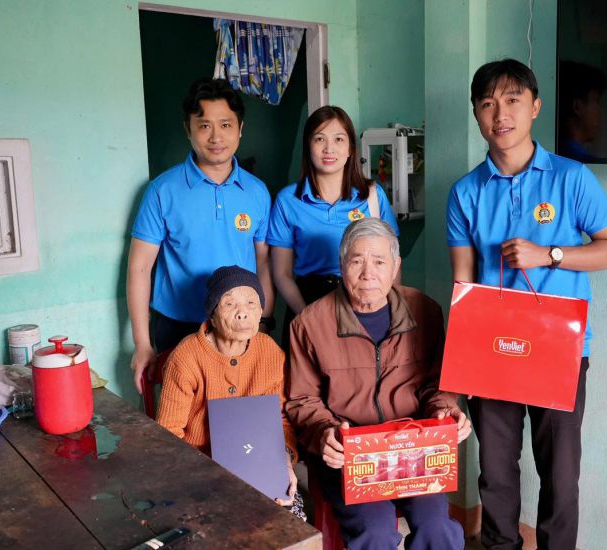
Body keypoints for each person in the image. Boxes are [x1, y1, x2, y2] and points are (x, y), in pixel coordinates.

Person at [446, 59, 607, 549]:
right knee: (496, 477)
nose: (499, 113)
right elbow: (463, 287)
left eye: (511, 101)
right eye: (487, 104)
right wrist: (458, 379)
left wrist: (550, 253)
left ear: (534, 107)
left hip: (560, 349)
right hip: (492, 350)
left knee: (561, 477)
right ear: (477, 114)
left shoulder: (572, 178)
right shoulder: (465, 193)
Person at [286, 217, 472, 550]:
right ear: (342, 266)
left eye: (380, 261)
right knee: (375, 530)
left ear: (396, 266)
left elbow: (436, 384)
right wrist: (325, 433)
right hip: (350, 456)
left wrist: (446, 413)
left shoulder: (425, 311)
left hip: (412, 450)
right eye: (356, 261)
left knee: (437, 528)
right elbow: (302, 400)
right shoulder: (309, 324)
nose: (368, 272)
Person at [128, 78, 274, 393]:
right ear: (188, 128)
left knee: (240, 425)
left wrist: (261, 324)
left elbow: (263, 263)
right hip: (178, 327)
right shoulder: (162, 191)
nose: (216, 136)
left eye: (225, 124)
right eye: (204, 125)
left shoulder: (257, 192)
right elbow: (139, 268)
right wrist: (142, 343)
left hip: (240, 325)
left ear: (240, 128)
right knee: (179, 425)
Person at [156, 265, 304, 520]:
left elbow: (281, 420)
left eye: (251, 303)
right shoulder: (186, 357)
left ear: (261, 312)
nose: (242, 313)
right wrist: (206, 476)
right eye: (229, 304)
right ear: (212, 316)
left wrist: (284, 462)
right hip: (201, 471)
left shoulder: (270, 352)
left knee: (289, 522)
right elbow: (168, 435)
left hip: (260, 465)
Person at [266, 106, 399, 344]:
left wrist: (387, 309)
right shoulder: (288, 200)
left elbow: (391, 262)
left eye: (339, 139)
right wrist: (307, 316)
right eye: (319, 139)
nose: (329, 149)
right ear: (308, 146)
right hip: (307, 301)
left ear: (350, 149)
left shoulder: (372, 196)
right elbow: (282, 273)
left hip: (363, 298)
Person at [557, 60, 607, 163]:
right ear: (577, 107)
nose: (599, 110)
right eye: (596, 100)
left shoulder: (549, 154)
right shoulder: (586, 166)